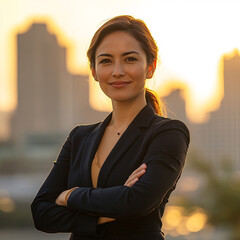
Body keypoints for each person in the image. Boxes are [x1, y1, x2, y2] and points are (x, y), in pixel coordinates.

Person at [31, 15, 190, 240]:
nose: (117, 71)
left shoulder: (168, 133)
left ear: (151, 67)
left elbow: (137, 202)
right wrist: (111, 208)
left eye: (130, 59)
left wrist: (70, 196)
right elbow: (41, 213)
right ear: (94, 71)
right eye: (106, 61)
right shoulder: (79, 137)